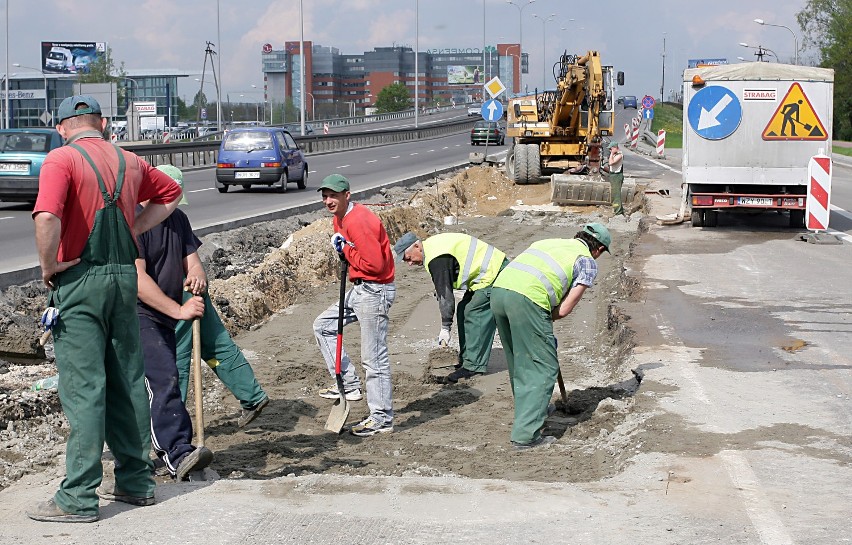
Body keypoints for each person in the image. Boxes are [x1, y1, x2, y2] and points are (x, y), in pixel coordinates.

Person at [30, 95, 183, 522]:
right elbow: (172, 193)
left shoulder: (61, 160)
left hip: (80, 279)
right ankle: (137, 483)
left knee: (84, 387)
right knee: (128, 381)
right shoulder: (130, 161)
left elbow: (46, 218)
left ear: (62, 127)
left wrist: (49, 265)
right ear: (102, 123)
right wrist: (134, 227)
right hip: (123, 279)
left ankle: (78, 497)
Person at [490, 223, 612, 450]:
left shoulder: (547, 242)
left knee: (520, 360)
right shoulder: (587, 261)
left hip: (498, 294)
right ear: (599, 249)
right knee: (545, 367)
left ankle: (532, 409)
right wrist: (542, 319)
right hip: (527, 300)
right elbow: (564, 309)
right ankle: (526, 436)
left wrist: (540, 320)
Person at [134, 164, 216, 482]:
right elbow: (137, 280)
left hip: (163, 317)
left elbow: (192, 262)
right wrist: (178, 310)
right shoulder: (137, 223)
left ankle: (138, 450)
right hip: (138, 314)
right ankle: (177, 452)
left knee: (163, 378)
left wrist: (196, 276)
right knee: (164, 379)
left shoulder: (179, 220)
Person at [312, 174, 397, 437]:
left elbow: (375, 265)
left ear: (347, 195)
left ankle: (382, 417)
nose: (328, 201)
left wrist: (344, 250)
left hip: (375, 289)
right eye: (325, 196)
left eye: (333, 196)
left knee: (373, 357)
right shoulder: (340, 217)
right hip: (360, 287)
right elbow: (352, 253)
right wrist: (343, 249)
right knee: (323, 325)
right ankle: (348, 385)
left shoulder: (359, 220)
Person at [393, 232, 508, 383]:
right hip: (485, 275)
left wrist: (445, 327)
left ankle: (473, 366)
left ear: (417, 246)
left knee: (474, 311)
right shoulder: (432, 250)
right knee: (462, 310)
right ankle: (467, 360)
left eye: (408, 258)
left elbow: (446, 297)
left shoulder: (437, 259)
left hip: (495, 271)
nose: (409, 263)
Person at [607, 141, 624, 216]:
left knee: (616, 195)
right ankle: (616, 209)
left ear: (615, 148)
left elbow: (611, 163)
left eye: (611, 149)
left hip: (617, 176)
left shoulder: (619, 155)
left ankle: (618, 212)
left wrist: (611, 154)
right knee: (614, 195)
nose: (610, 151)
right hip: (613, 175)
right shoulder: (615, 155)